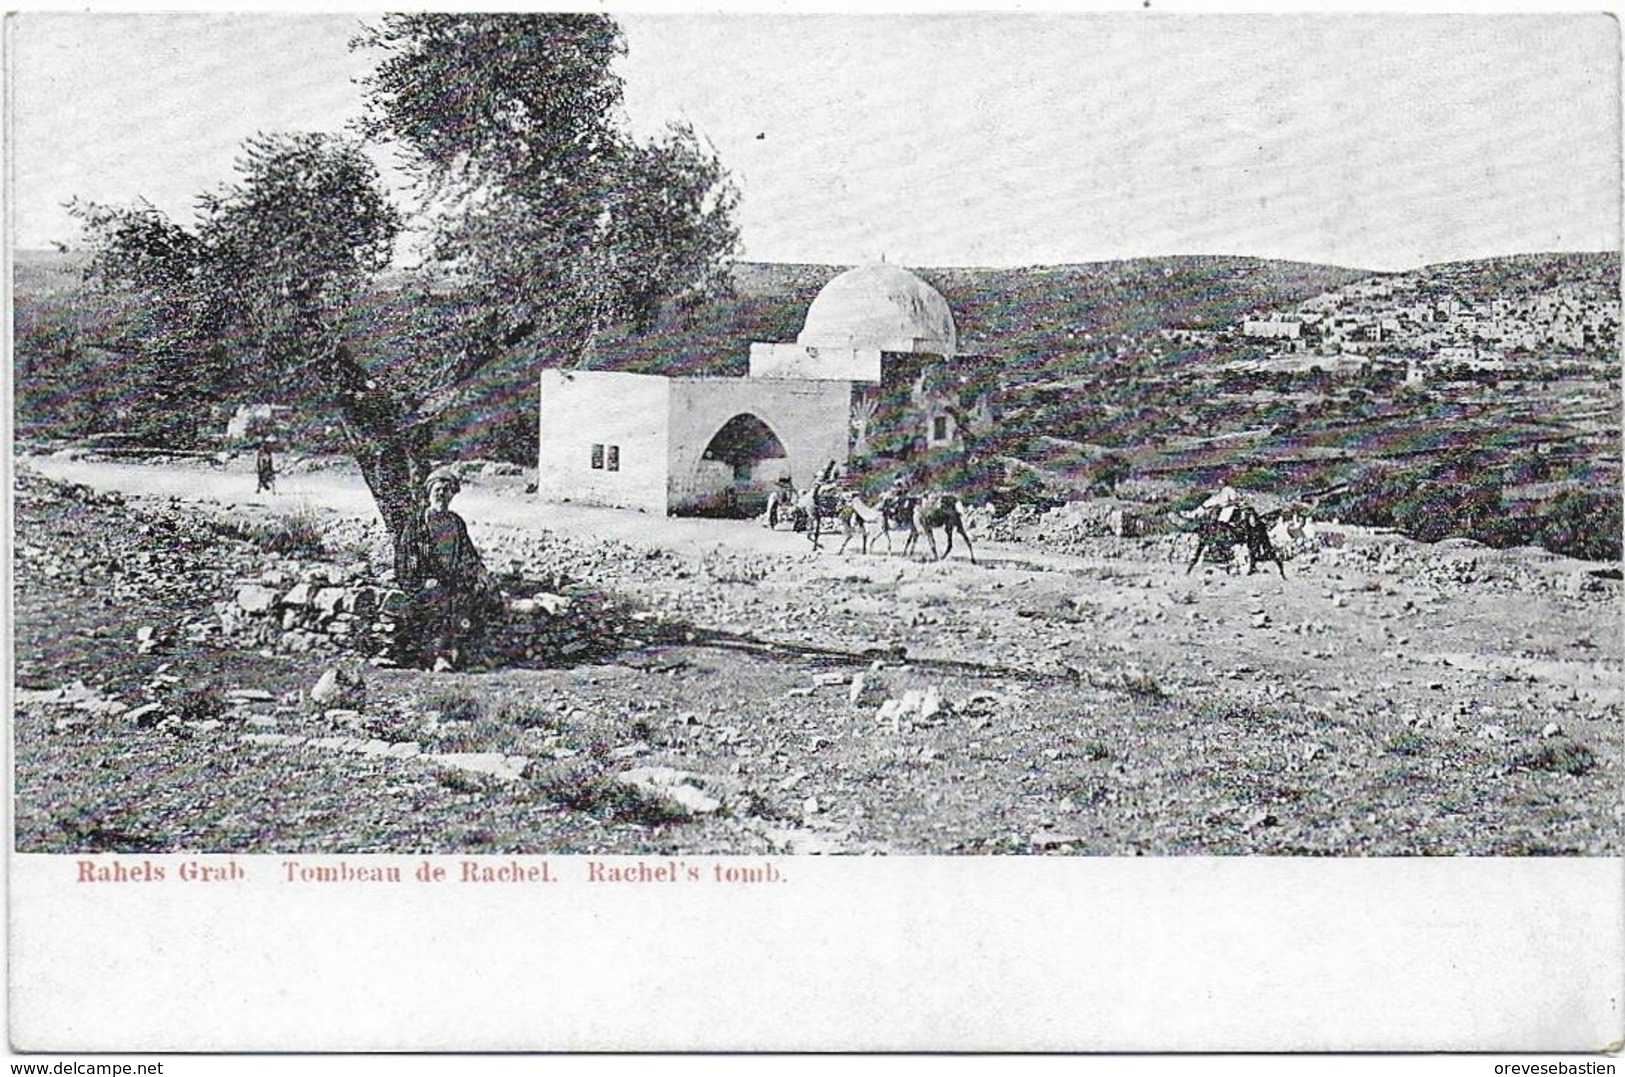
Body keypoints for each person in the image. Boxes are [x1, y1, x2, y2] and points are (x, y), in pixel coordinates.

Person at [399, 468, 503, 671]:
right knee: (439, 604)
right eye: (438, 489)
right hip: (425, 583)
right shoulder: (417, 523)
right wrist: (420, 580)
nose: (441, 494)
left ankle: (469, 655)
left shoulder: (455, 522)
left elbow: (468, 553)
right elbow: (406, 558)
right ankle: (439, 657)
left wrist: (481, 574)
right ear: (429, 493)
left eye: (447, 490)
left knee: (474, 599)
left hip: (453, 580)